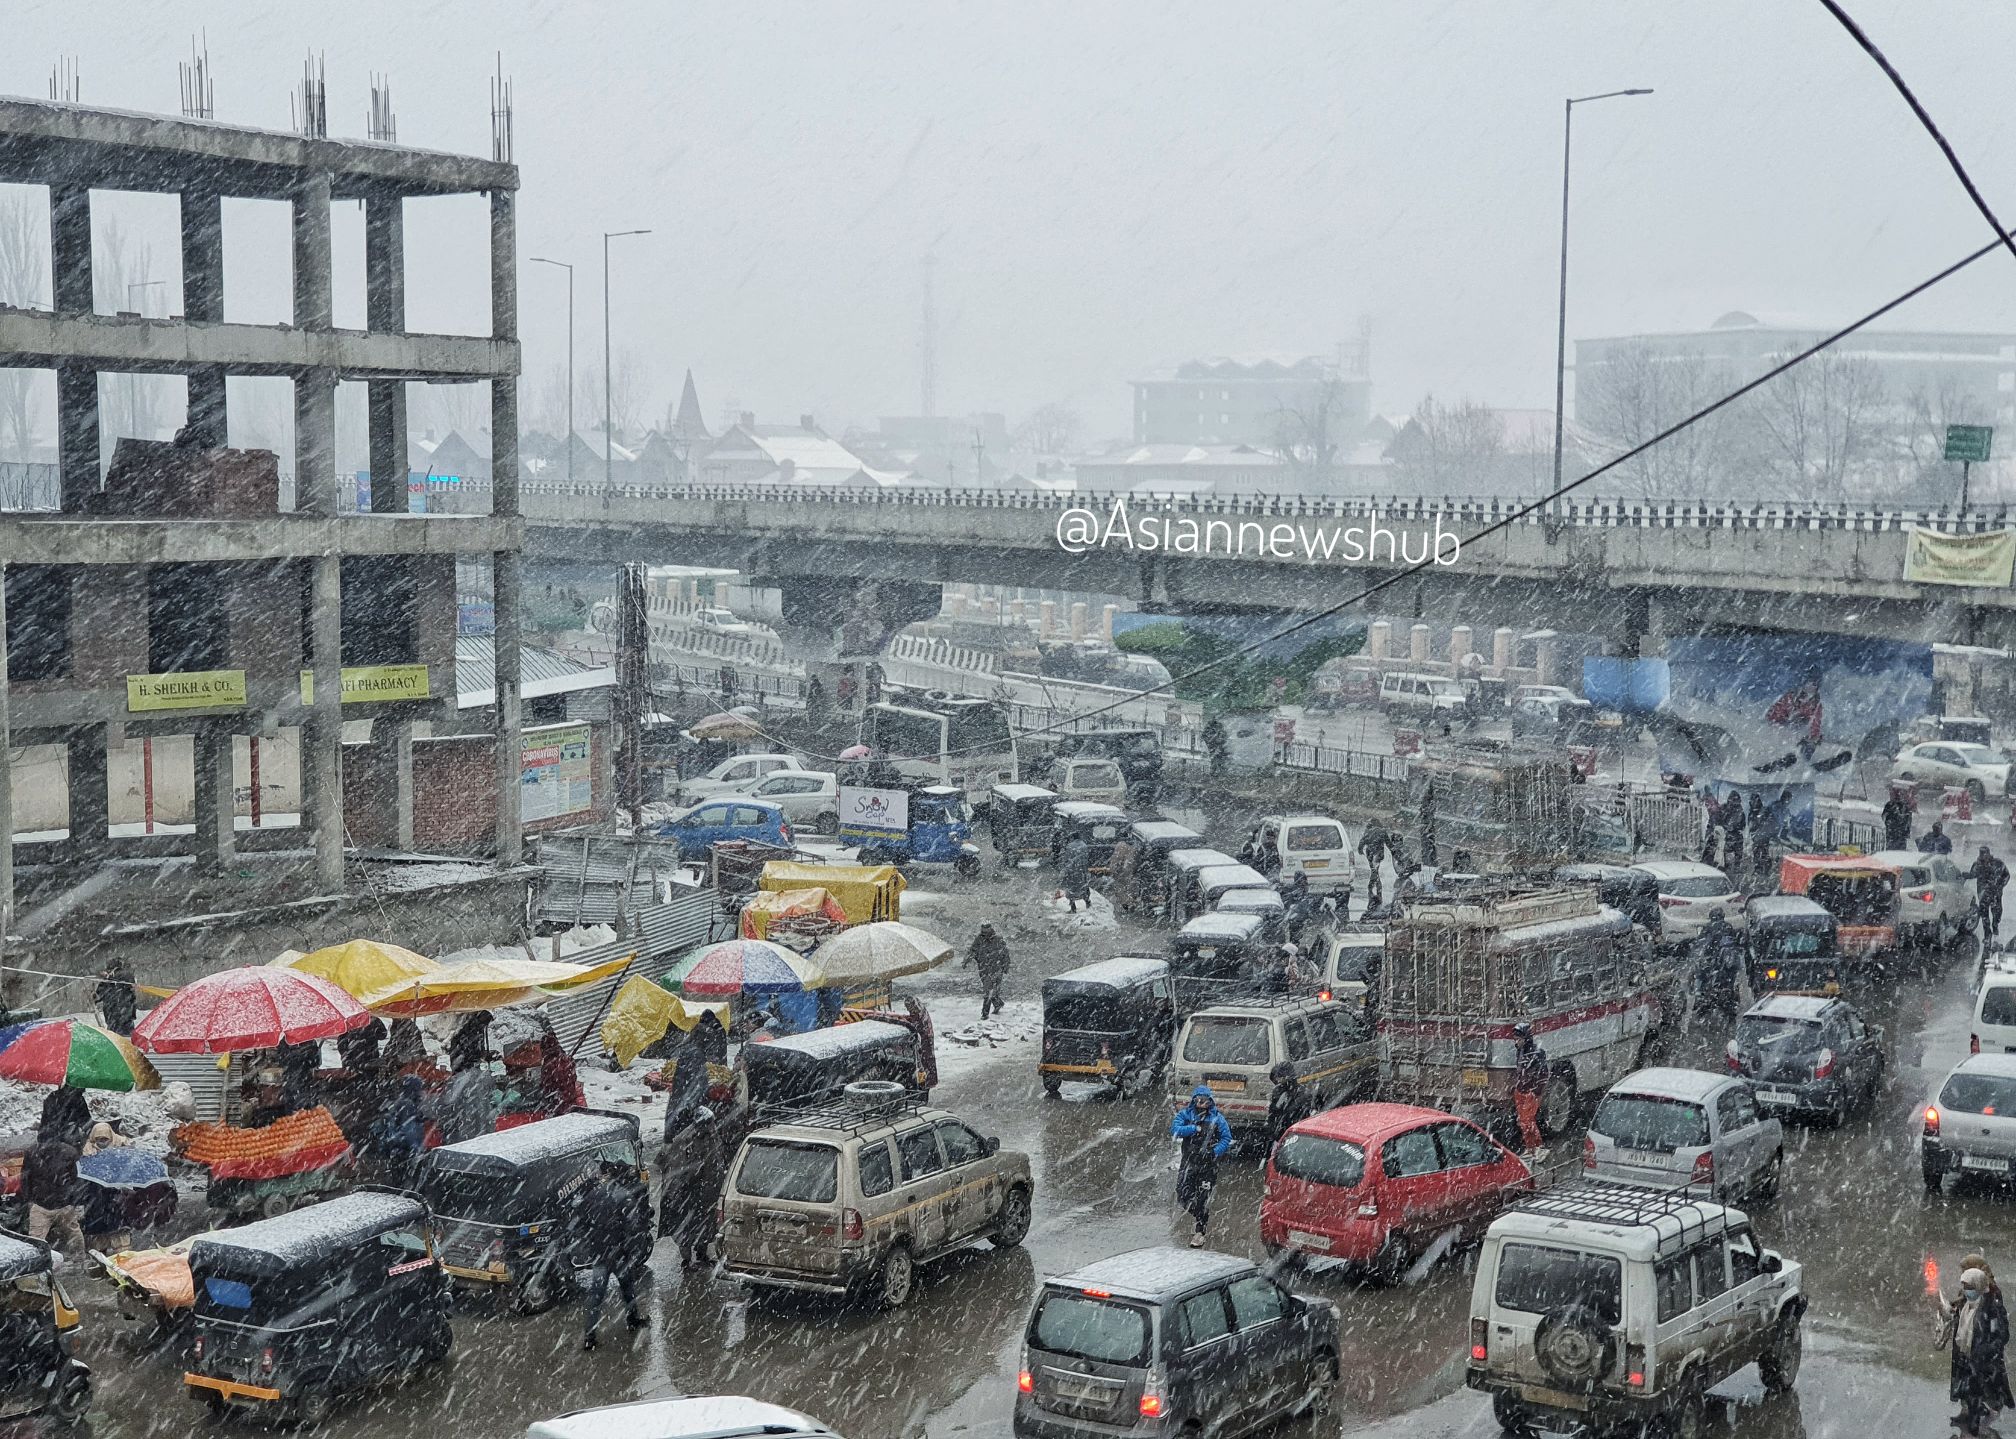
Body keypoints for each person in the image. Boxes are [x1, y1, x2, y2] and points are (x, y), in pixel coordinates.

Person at [568, 1161, 653, 1349]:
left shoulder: (591, 1196)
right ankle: (633, 1320)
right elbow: (633, 1226)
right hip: (619, 1253)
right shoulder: (623, 1196)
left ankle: (590, 1336)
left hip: (599, 1253)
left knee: (596, 1296)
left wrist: (591, 1238)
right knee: (628, 1288)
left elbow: (577, 1224)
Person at [1944, 1263, 2014, 1436]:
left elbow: (2002, 1335)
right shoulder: (1966, 1306)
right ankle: (1975, 1421)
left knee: (1979, 1391)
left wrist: (1988, 1350)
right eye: (1964, 1286)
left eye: (1969, 1286)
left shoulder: (1991, 1306)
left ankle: (1981, 1422)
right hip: (1968, 1357)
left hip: (1984, 1360)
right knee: (1969, 1391)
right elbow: (1961, 1331)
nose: (1966, 1290)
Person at [658, 1106, 726, 1271]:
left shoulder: (712, 1135)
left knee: (706, 1225)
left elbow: (716, 1157)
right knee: (686, 1227)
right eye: (709, 1123)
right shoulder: (685, 1140)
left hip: (709, 1191)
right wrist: (692, 1178)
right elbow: (677, 1167)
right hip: (689, 1192)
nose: (712, 1126)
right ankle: (687, 1261)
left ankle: (702, 1254)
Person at [1170, 1086, 1232, 1248]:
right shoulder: (1186, 1115)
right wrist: (1193, 1128)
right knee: (1182, 1195)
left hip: (1208, 1166)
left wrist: (1214, 1152)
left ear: (1210, 1101)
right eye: (1198, 1099)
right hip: (1189, 1163)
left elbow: (1226, 1138)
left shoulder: (1217, 1119)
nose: (1201, 1103)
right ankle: (1198, 1214)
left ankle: (1200, 1231)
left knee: (1203, 1198)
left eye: (1204, 1100)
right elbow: (1175, 1130)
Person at [22, 1125, 85, 1256]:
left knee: (38, 1239)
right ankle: (79, 1260)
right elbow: (25, 1177)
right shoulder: (69, 1151)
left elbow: (25, 1177)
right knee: (71, 1234)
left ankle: (78, 1259)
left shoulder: (33, 1152)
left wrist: (28, 1200)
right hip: (52, 1202)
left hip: (53, 1202)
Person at [430, 1044, 498, 1145]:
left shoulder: (460, 1078)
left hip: (467, 1123)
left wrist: (433, 1099)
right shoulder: (486, 1076)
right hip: (484, 1120)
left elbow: (449, 1099)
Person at [1695, 911, 1743, 1019]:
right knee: (1731, 979)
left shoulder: (1709, 927)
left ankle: (1698, 994)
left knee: (1700, 974)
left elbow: (1702, 943)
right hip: (1728, 964)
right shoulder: (1728, 927)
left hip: (1719, 961)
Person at [1511, 1024, 1548, 1154]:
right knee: (1523, 1121)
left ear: (1525, 1038)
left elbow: (1543, 1074)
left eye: (1518, 1039)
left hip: (1530, 1092)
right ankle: (1530, 1147)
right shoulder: (1520, 1051)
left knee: (1528, 1121)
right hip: (1520, 1090)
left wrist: (1536, 1091)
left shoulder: (1537, 1053)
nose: (1516, 1042)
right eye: (1515, 1039)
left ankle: (1539, 1147)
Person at [968, 922, 1011, 1020]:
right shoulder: (979, 939)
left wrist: (1005, 967)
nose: (984, 932)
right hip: (983, 970)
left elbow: (1005, 954)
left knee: (988, 992)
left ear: (990, 929)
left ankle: (985, 1013)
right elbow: (972, 951)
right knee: (990, 991)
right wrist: (967, 960)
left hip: (996, 970)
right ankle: (998, 1003)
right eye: (983, 930)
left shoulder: (998, 940)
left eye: (986, 930)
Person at [1972, 846, 2012, 947]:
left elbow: (2007, 875)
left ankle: (1995, 925)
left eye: (1985, 854)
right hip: (1983, 894)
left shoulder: (1998, 863)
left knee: (1997, 912)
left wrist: (2001, 885)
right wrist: (1964, 876)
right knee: (1984, 915)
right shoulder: (1977, 865)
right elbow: (1972, 874)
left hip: (1996, 894)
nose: (1984, 857)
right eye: (1982, 854)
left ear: (1989, 854)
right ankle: (1987, 934)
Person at [1266, 1062, 1308, 1149]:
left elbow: (1295, 1113)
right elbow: (1272, 1113)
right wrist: (1271, 1131)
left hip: (1293, 1134)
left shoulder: (1301, 1093)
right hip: (1279, 1134)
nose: (1278, 1081)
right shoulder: (1278, 1091)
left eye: (1280, 1078)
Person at [95, 956, 137, 1038]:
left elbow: (100, 993)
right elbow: (132, 992)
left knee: (114, 1035)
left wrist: (96, 997)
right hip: (127, 1010)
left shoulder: (110, 978)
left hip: (114, 1011)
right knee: (127, 1034)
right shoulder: (128, 975)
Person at [1359, 820, 1392, 911]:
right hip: (1378, 854)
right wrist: (1395, 852)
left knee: (1374, 871)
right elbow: (1389, 844)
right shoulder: (1382, 832)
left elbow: (1362, 842)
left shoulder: (1368, 832)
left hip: (1370, 854)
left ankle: (1372, 888)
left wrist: (1360, 850)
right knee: (1375, 871)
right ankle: (1376, 889)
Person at [1060, 835, 1093, 913]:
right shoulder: (1084, 845)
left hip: (1073, 871)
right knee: (1084, 887)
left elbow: (1067, 859)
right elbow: (1087, 858)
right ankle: (1087, 902)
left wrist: (1065, 869)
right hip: (1082, 870)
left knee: (1071, 889)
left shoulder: (1070, 846)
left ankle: (1073, 907)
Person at [1110, 834, 1141, 914]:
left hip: (1121, 873)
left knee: (1121, 889)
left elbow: (1115, 861)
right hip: (1129, 872)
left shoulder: (1120, 848)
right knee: (1130, 888)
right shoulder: (1134, 848)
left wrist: (1114, 871)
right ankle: (1131, 902)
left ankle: (1126, 904)